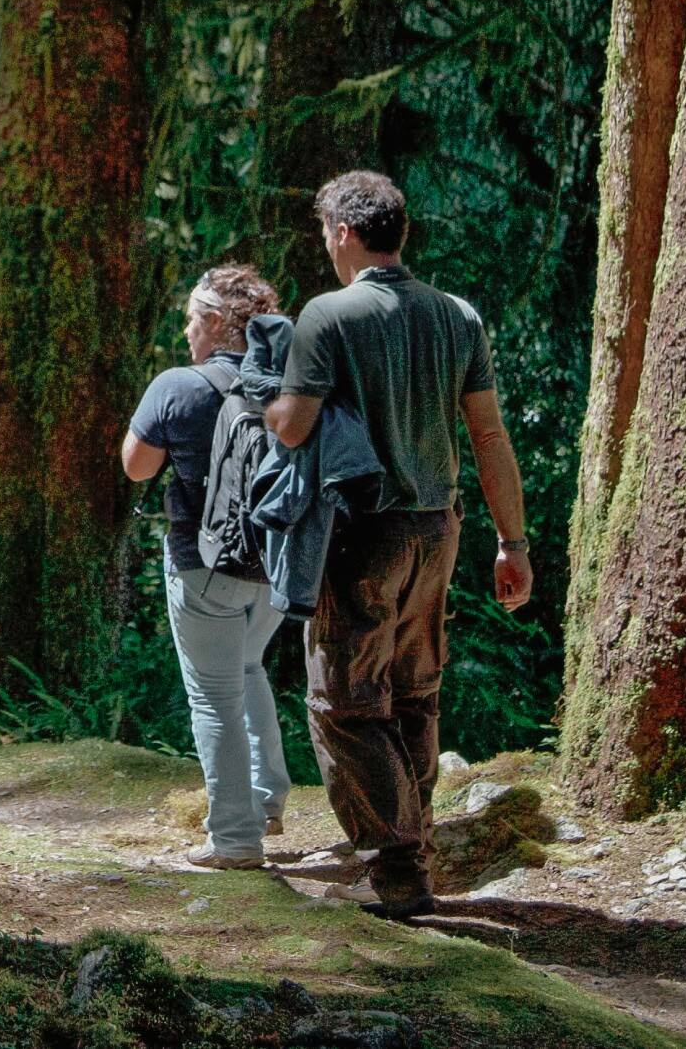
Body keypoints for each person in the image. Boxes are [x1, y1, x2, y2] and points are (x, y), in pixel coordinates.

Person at [264, 171, 531, 919]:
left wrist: (259, 402)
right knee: (413, 695)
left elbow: (292, 424)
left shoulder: (328, 316)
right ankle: (411, 852)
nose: (326, 246)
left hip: (364, 533)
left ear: (343, 233)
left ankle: (401, 870)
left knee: (344, 705)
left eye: (325, 233)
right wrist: (514, 541)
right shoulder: (457, 317)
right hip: (437, 530)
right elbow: (488, 434)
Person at [120, 265, 293, 869]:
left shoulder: (179, 386)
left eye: (194, 317)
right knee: (249, 668)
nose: (187, 329)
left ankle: (235, 840)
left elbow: (137, 468)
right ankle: (269, 798)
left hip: (205, 563)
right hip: (277, 567)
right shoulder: (291, 380)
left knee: (214, 696)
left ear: (218, 322)